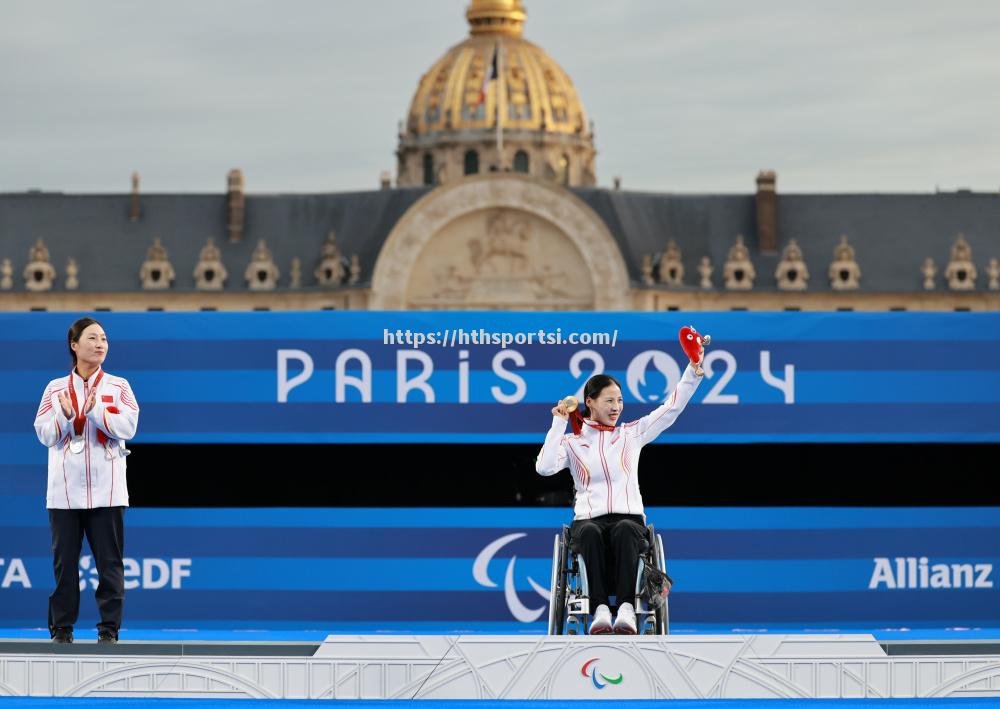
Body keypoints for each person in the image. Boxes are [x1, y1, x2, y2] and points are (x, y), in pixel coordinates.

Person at [535, 342, 704, 634]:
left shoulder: (631, 434)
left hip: (629, 521)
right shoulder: (572, 442)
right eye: (609, 401)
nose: (616, 407)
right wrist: (557, 423)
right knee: (586, 532)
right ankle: (600, 608)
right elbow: (544, 467)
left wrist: (693, 368)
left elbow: (672, 408)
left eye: (620, 401)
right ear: (590, 401)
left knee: (626, 529)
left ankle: (626, 608)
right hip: (588, 521)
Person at [32, 317, 139, 644]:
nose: (100, 344)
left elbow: (129, 428)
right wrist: (65, 416)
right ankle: (62, 630)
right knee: (65, 567)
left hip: (108, 491)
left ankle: (109, 630)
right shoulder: (54, 389)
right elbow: (44, 435)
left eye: (104, 338)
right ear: (74, 345)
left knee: (110, 565)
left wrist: (94, 412)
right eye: (92, 338)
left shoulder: (119, 386)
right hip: (64, 492)